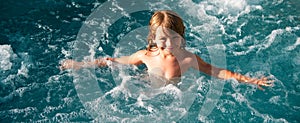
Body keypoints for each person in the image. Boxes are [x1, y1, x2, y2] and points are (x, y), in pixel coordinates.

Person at [60, 10, 273, 89]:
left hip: (173, 93)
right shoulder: (146, 55)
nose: (169, 44)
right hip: (143, 86)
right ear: (153, 38)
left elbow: (216, 71)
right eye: (163, 39)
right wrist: (80, 64)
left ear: (182, 37)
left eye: (174, 38)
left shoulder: (188, 59)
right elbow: (113, 61)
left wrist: (248, 80)